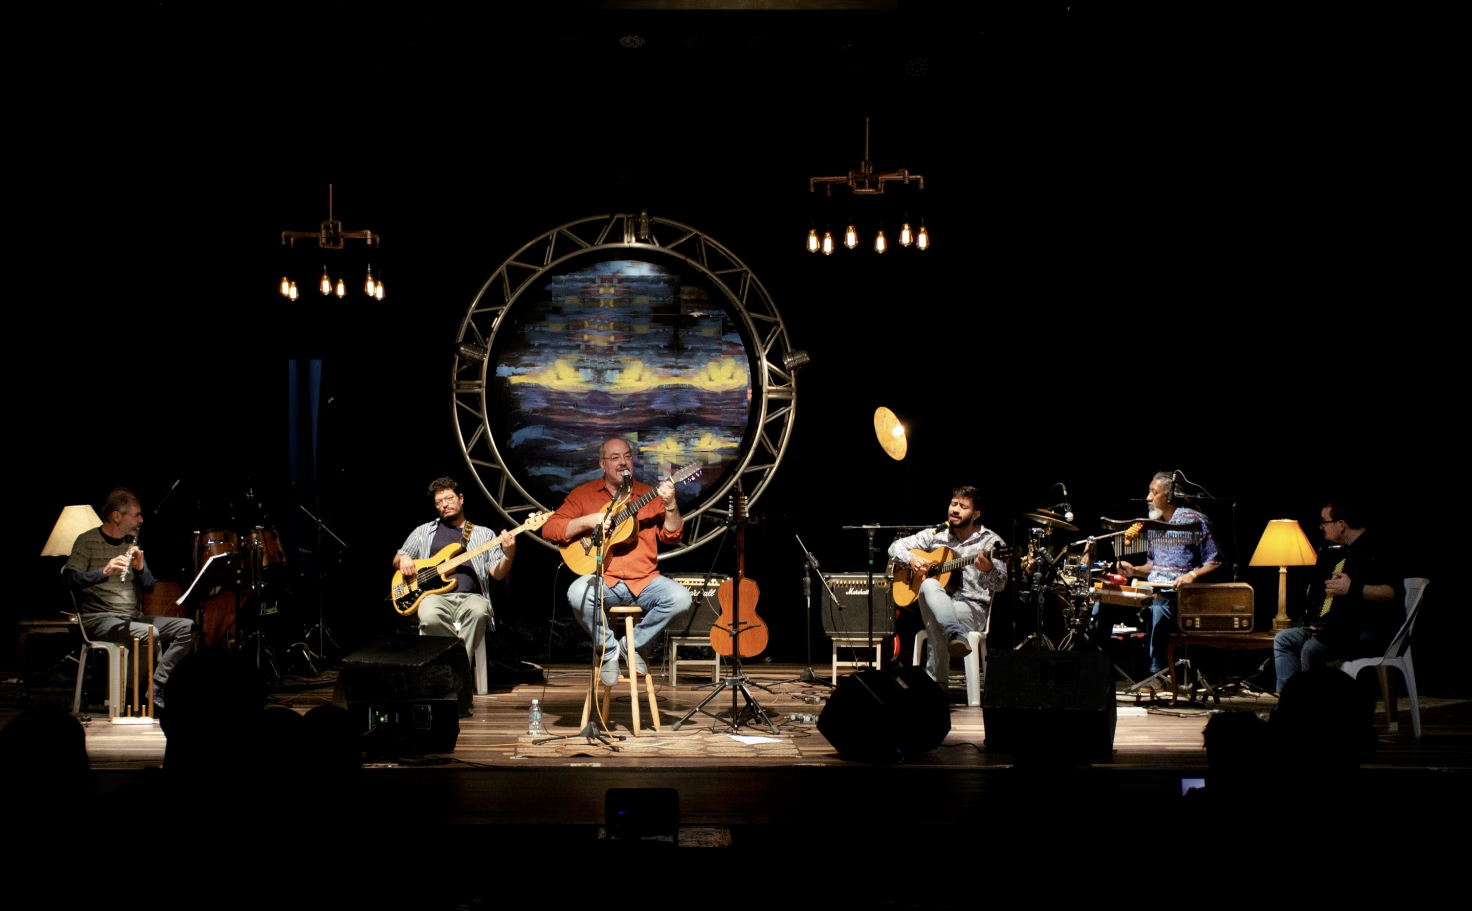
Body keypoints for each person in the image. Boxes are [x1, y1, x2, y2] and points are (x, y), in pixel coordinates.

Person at [541, 437, 691, 686]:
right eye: (615, 458)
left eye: (627, 456)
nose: (623, 462)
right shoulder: (584, 494)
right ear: (602, 464)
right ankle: (609, 650)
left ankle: (629, 645)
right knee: (577, 593)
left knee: (681, 599)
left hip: (644, 581)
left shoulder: (648, 495)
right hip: (605, 580)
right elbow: (550, 529)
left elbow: (673, 536)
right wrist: (589, 521)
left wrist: (671, 505)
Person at [62, 488, 196, 710]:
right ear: (117, 516)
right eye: (136, 515)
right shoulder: (87, 541)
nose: (141, 520)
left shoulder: (131, 543)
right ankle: (129, 695)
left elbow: (150, 586)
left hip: (132, 618)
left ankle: (156, 685)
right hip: (99, 619)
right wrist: (103, 573)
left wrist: (140, 568)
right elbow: (68, 580)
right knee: (149, 633)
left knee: (188, 628)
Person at [1273, 499, 1403, 692]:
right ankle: (1288, 700)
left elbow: (1392, 593)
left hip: (1367, 631)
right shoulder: (1342, 552)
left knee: (1311, 648)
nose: (1321, 527)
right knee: (1283, 639)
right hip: (1340, 629)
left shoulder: (1376, 548)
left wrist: (1352, 589)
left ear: (1341, 524)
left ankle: (1311, 703)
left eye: (1324, 522)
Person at [886, 485, 1008, 684]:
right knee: (928, 585)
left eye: (963, 507)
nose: (955, 510)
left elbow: (1000, 584)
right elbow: (895, 547)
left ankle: (936, 688)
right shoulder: (937, 535)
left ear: (976, 514)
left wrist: (988, 569)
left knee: (936, 619)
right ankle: (955, 634)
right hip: (935, 606)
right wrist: (912, 560)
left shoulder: (991, 542)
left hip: (971, 609)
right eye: (953, 504)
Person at [394, 477, 516, 666]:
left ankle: (452, 670)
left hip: (471, 597)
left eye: (449, 498)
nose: (444, 504)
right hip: (434, 598)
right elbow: (398, 558)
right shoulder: (422, 532)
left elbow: (497, 574)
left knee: (479, 612)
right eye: (439, 502)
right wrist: (403, 559)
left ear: (461, 498)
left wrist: (508, 555)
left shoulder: (484, 534)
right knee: (429, 617)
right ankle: (459, 669)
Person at [1115, 472, 1221, 679]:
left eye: (1154, 492)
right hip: (1153, 589)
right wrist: (1135, 571)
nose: (1148, 498)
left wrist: (1192, 575)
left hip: (1183, 595)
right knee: (1105, 598)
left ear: (1170, 496)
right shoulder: (1154, 524)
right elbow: (1154, 565)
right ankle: (1100, 666)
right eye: (1149, 492)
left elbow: (1214, 563)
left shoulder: (1195, 522)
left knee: (1159, 604)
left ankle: (1158, 674)